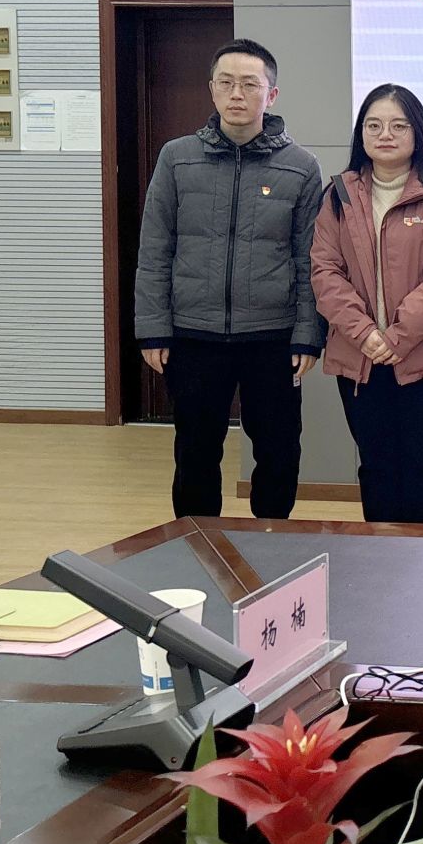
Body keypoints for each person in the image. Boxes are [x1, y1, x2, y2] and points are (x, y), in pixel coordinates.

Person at [135, 39, 324, 519]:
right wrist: (153, 328)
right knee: (195, 451)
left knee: (279, 449)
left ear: (271, 95)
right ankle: (198, 542)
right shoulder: (177, 158)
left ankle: (272, 541)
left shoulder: (301, 167)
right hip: (194, 334)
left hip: (272, 336)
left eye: (249, 84)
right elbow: (155, 249)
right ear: (212, 90)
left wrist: (308, 334)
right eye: (226, 83)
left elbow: (310, 260)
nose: (237, 94)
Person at [310, 84, 423, 524]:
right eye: (374, 125)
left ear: (418, 132)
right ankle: (381, 553)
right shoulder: (339, 195)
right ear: (361, 133)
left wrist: (397, 336)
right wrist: (365, 334)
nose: (385, 134)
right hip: (359, 355)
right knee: (376, 465)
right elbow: (325, 271)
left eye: (398, 126)